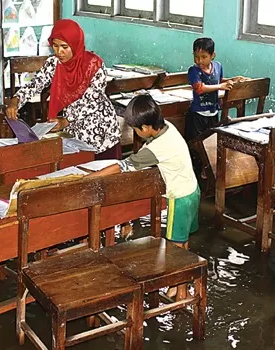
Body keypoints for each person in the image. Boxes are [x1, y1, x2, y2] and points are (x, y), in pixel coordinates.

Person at [87, 94, 200, 298]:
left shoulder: (158, 147)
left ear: (147, 127)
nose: (136, 133)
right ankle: (178, 283)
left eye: (137, 129)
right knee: (182, 242)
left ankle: (181, 290)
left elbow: (125, 165)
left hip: (180, 198)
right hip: (193, 190)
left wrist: (92, 177)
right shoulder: (168, 128)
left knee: (174, 247)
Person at [6, 19, 121, 160]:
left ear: (75, 44)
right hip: (73, 132)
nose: (59, 52)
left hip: (101, 130)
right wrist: (16, 100)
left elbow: (92, 101)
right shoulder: (54, 63)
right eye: (55, 46)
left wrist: (66, 121)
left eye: (64, 47)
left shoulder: (94, 65)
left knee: (105, 174)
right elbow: (36, 84)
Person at [186, 37, 245, 177]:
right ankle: (195, 174)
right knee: (196, 146)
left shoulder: (217, 66)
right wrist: (221, 86)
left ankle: (206, 172)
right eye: (196, 57)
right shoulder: (193, 71)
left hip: (213, 113)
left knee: (210, 144)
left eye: (204, 57)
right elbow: (199, 88)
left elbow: (218, 81)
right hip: (197, 115)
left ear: (213, 55)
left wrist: (233, 80)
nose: (199, 61)